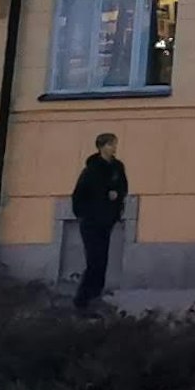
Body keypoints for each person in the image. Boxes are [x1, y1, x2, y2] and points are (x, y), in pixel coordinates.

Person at [70, 132, 129, 308]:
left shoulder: (117, 167)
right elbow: (81, 194)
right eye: (111, 145)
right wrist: (84, 214)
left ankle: (96, 295)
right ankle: (83, 298)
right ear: (102, 147)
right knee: (94, 259)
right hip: (91, 220)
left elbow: (123, 187)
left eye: (114, 144)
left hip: (107, 219)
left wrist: (117, 197)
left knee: (102, 259)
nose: (114, 148)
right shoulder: (92, 169)